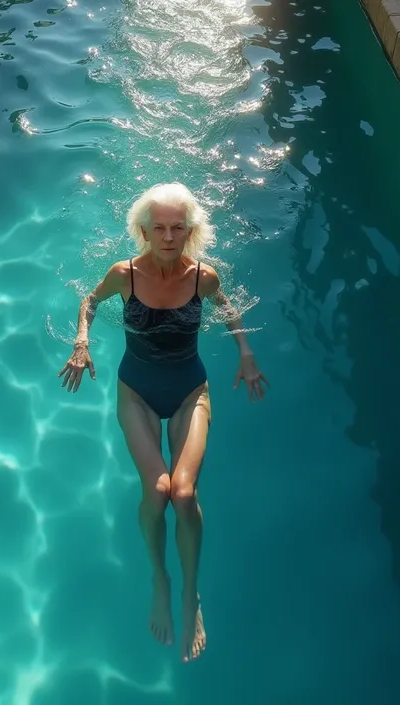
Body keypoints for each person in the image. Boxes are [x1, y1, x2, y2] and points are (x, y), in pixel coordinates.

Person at [58, 183, 268, 662]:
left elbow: (230, 310)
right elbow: (89, 301)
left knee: (184, 492)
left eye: (178, 228)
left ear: (190, 231)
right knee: (155, 491)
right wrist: (81, 339)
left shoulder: (203, 279)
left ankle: (191, 594)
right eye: (160, 228)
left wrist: (246, 352)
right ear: (144, 231)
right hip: (136, 391)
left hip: (191, 389)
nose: (169, 236)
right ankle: (160, 576)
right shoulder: (125, 274)